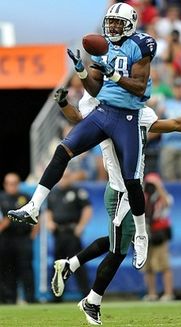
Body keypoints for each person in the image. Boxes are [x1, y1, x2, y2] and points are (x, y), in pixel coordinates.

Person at [50, 87, 181, 325]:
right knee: (118, 251)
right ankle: (91, 301)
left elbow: (175, 123)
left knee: (119, 242)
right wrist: (64, 104)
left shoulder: (141, 114)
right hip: (119, 191)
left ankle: (69, 265)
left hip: (131, 190)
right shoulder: (104, 113)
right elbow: (78, 119)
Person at [8, 2, 158, 273]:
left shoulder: (141, 45)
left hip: (127, 116)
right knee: (63, 149)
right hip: (104, 111)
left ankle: (140, 233)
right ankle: (33, 206)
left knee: (132, 181)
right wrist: (81, 70)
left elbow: (137, 87)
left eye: (117, 23)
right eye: (109, 23)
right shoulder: (105, 48)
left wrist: (113, 73)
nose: (112, 28)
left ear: (131, 24)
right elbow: (96, 87)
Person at [46, 168, 92, 301]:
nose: (64, 179)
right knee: (58, 266)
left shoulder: (78, 192)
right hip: (59, 233)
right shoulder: (53, 194)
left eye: (66, 176)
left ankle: (86, 294)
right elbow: (48, 211)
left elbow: (88, 209)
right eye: (62, 177)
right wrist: (49, 222)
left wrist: (81, 226)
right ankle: (56, 296)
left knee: (77, 263)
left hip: (72, 233)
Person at [0, 173, 38, 304]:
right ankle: (9, 298)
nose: (12, 186)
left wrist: (32, 235)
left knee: (26, 269)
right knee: (7, 269)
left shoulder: (25, 197)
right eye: (9, 183)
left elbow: (36, 217)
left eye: (15, 183)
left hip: (23, 238)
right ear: (5, 185)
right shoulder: (1, 198)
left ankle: (30, 298)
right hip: (6, 239)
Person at [142, 172, 174, 302]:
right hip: (146, 233)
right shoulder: (143, 196)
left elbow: (167, 203)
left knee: (164, 265)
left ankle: (168, 293)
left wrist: (158, 187)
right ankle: (152, 293)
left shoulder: (163, 197)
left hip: (160, 233)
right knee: (147, 266)